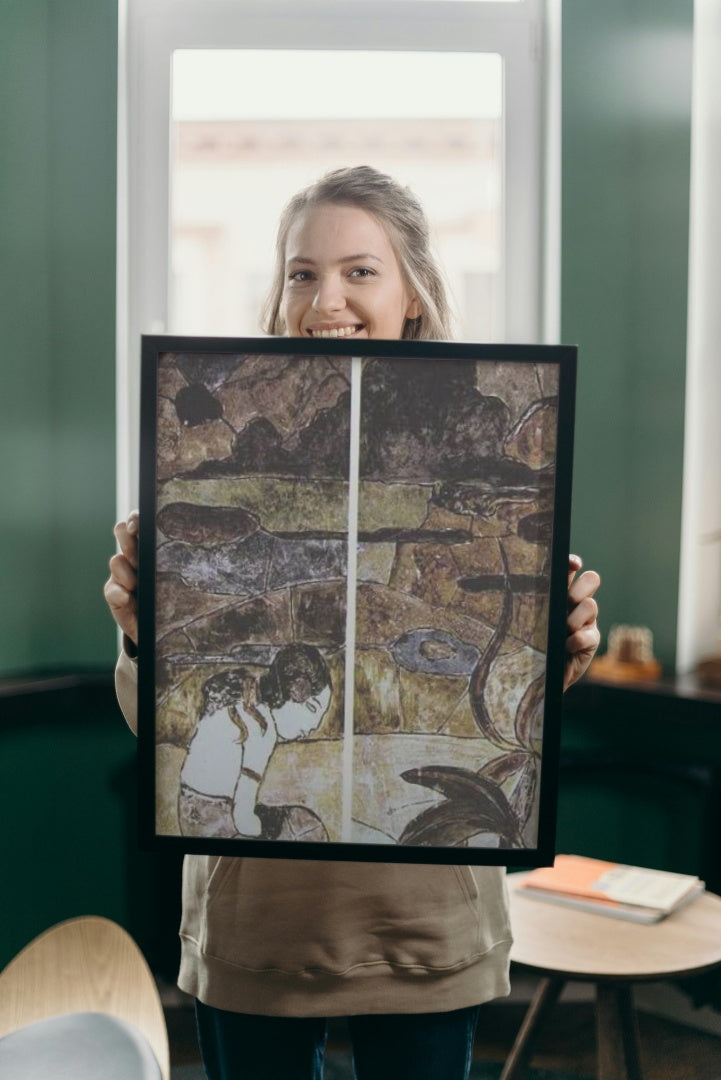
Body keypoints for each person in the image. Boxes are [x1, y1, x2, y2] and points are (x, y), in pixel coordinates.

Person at [105, 165, 601, 1080]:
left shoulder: (489, 450)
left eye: (359, 271)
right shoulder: (194, 470)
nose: (324, 298)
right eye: (301, 272)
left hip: (424, 928)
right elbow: (162, 734)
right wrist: (144, 634)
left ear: (412, 292)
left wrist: (558, 651)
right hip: (257, 931)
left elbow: (515, 720)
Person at [179, 647, 333, 839]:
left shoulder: (243, 695)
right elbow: (243, 820)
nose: (314, 724)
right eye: (312, 708)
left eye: (321, 715)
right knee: (308, 829)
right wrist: (266, 834)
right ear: (290, 692)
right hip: (215, 827)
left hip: (189, 812)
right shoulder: (261, 726)